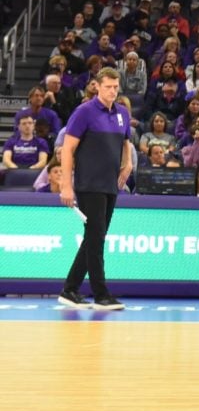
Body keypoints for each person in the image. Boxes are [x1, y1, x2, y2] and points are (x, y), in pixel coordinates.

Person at [57, 68, 133, 311]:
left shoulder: (122, 113)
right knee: (96, 238)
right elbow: (67, 149)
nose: (112, 91)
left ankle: (70, 290)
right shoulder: (84, 112)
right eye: (108, 86)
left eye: (115, 87)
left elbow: (125, 142)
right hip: (89, 184)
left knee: (94, 237)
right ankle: (101, 295)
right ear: (97, 86)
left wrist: (128, 163)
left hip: (110, 184)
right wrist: (65, 185)